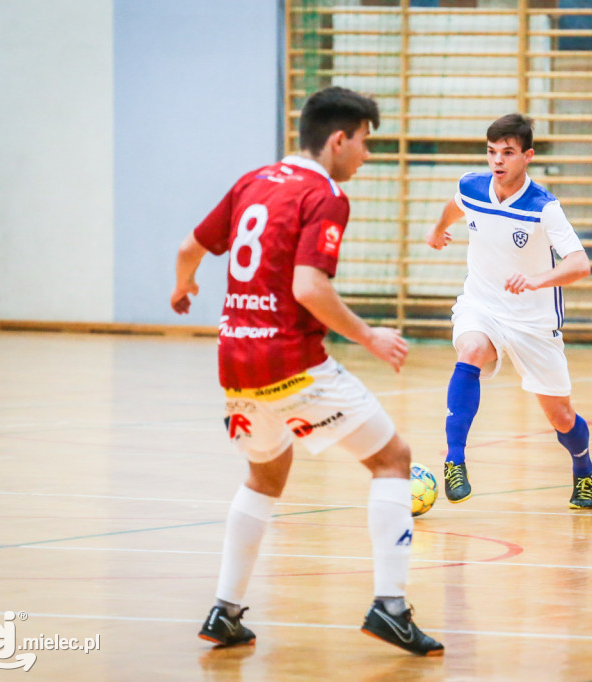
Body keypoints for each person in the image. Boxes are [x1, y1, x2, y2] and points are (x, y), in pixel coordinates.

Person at [171, 86, 443, 656]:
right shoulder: (325, 193)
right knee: (393, 460)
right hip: (292, 364)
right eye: (366, 142)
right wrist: (369, 336)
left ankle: (224, 612)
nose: (367, 154)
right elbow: (308, 287)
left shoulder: (253, 182)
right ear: (338, 139)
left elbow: (188, 248)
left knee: (266, 477)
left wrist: (183, 287)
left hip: (235, 362)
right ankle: (390, 608)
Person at [426, 113, 592, 510]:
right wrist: (438, 229)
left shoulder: (543, 207)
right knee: (469, 351)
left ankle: (583, 467)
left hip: (533, 323)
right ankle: (455, 459)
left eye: (507, 152)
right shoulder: (472, 188)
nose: (498, 161)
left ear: (527, 156)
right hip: (482, 306)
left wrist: (536, 280)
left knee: (562, 418)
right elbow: (455, 207)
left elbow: (579, 264)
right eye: (491, 152)